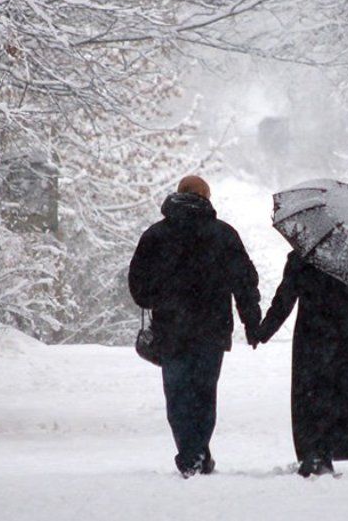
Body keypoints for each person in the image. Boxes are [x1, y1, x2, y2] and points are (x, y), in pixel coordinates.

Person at [128, 175, 261, 477]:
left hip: (171, 329)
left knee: (177, 394)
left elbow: (138, 286)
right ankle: (197, 452)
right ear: (206, 197)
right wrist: (252, 322)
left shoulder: (156, 235)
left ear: (177, 195)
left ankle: (191, 454)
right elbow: (244, 282)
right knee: (203, 392)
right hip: (211, 330)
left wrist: (161, 297)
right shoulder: (223, 235)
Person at [254, 250, 348, 477]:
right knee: (338, 392)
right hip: (343, 331)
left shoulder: (302, 256)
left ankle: (313, 452)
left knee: (310, 394)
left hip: (311, 331)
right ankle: (328, 451)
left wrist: (263, 331)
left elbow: (285, 298)